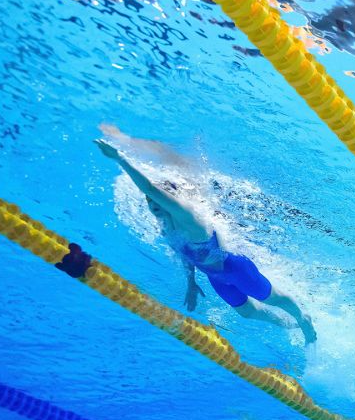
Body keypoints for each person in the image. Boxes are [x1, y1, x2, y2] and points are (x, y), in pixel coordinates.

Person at [94, 126, 317, 344]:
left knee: (272, 298)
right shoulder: (166, 227)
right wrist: (190, 282)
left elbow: (151, 189)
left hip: (233, 268)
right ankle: (288, 325)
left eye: (156, 201)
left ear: (169, 200)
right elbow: (184, 254)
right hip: (215, 277)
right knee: (247, 312)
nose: (152, 204)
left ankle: (301, 316)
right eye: (148, 202)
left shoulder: (188, 216)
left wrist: (120, 159)